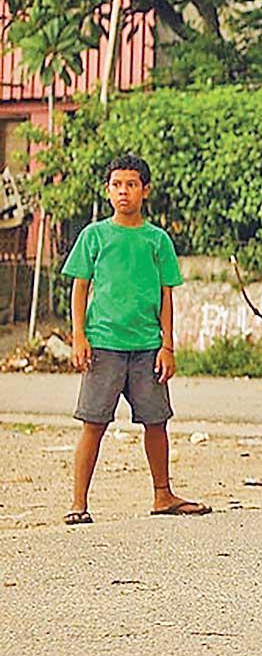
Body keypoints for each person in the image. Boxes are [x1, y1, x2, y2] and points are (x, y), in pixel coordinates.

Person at [62, 154, 209, 524]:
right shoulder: (94, 235)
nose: (123, 192)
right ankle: (79, 503)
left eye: (131, 185)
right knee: (93, 423)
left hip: (147, 347)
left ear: (145, 190)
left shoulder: (157, 240)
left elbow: (166, 295)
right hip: (104, 344)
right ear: (108, 191)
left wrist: (168, 345)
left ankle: (163, 495)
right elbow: (81, 288)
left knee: (156, 421)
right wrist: (79, 335)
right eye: (116, 185)